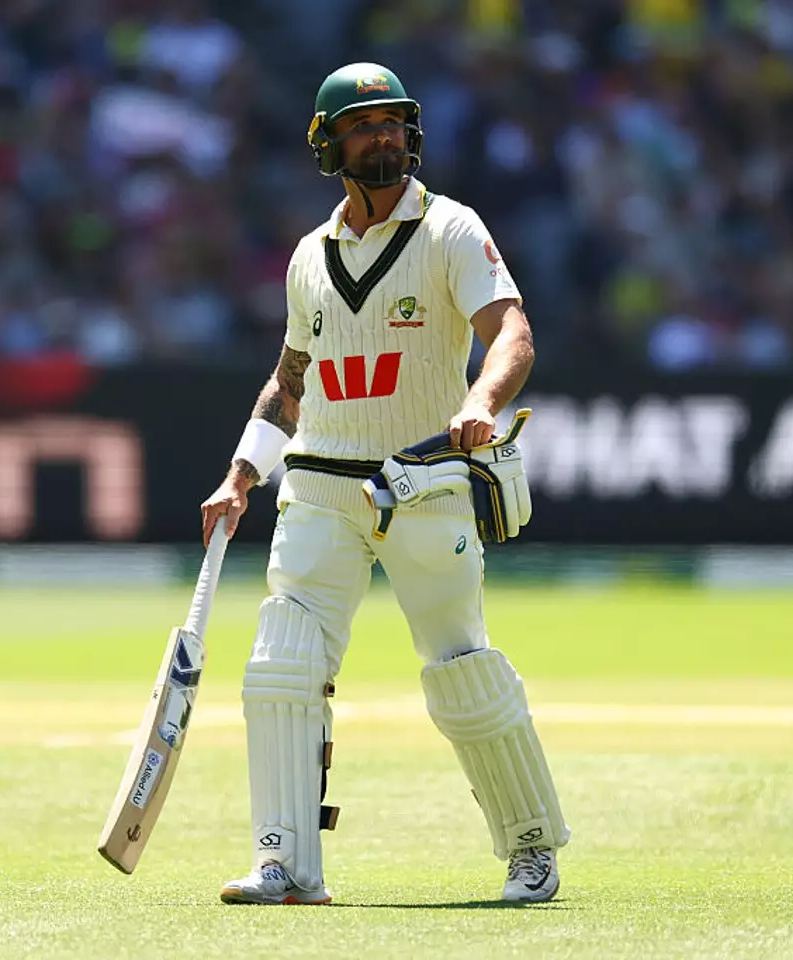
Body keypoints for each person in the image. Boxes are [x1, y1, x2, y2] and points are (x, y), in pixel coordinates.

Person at [199, 62, 570, 906]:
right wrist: (240, 474)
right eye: (364, 127)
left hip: (424, 481)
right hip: (320, 487)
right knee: (281, 669)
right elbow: (290, 380)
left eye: (395, 123)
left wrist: (481, 399)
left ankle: (532, 850)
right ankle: (287, 863)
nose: (385, 139)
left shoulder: (450, 228)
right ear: (329, 145)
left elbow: (510, 331)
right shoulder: (309, 256)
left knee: (460, 671)